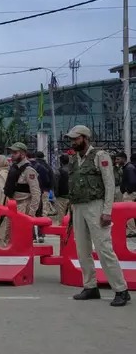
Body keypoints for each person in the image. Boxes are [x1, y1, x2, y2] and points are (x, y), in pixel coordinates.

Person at [65, 125, 130, 306]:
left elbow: (109, 185)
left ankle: (121, 289)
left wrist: (107, 211)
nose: (73, 142)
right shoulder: (74, 159)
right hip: (78, 206)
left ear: (85, 138)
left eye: (76, 138)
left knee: (104, 248)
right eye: (72, 139)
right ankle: (90, 286)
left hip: (96, 206)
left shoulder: (100, 156)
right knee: (82, 249)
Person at [4, 143, 41, 241]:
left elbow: (36, 193)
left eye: (15, 152)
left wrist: (31, 213)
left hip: (23, 206)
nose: (12, 155)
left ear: (23, 154)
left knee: (19, 236)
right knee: (8, 235)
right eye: (11, 152)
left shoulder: (29, 170)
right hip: (12, 205)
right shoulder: (14, 167)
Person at [120, 153, 136, 238]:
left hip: (129, 193)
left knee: (127, 211)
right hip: (130, 192)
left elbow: (132, 182)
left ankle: (132, 230)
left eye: (118, 159)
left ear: (124, 159)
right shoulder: (129, 167)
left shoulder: (129, 168)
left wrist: (128, 190)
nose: (117, 161)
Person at [53, 154, 70, 226]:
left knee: (61, 217)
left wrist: (56, 194)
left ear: (60, 162)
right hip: (72, 197)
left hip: (61, 197)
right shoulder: (74, 171)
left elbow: (55, 184)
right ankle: (70, 233)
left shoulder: (58, 172)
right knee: (70, 217)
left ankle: (62, 232)